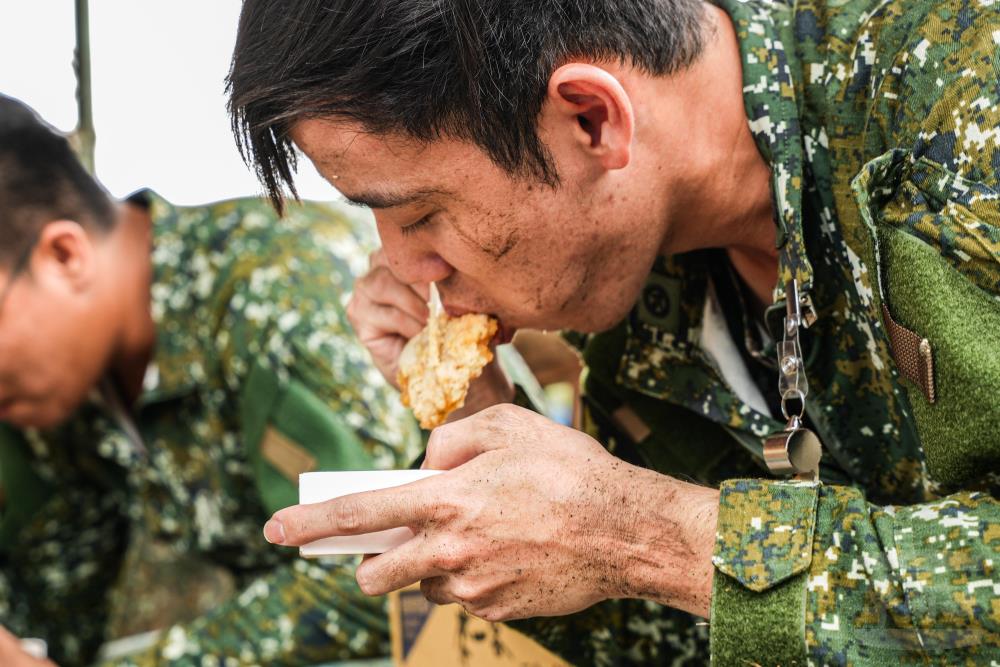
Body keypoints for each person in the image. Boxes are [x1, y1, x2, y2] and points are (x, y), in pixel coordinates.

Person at [227, 0, 1000, 663]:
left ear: (592, 118)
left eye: (421, 213)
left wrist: (643, 536)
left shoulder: (966, 102)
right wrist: (483, 428)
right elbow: (665, 641)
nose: (403, 266)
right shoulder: (641, 305)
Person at [0, 95, 422, 667]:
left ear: (65, 256)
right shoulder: (52, 387)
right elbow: (61, 612)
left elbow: (378, 574)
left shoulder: (273, 288)